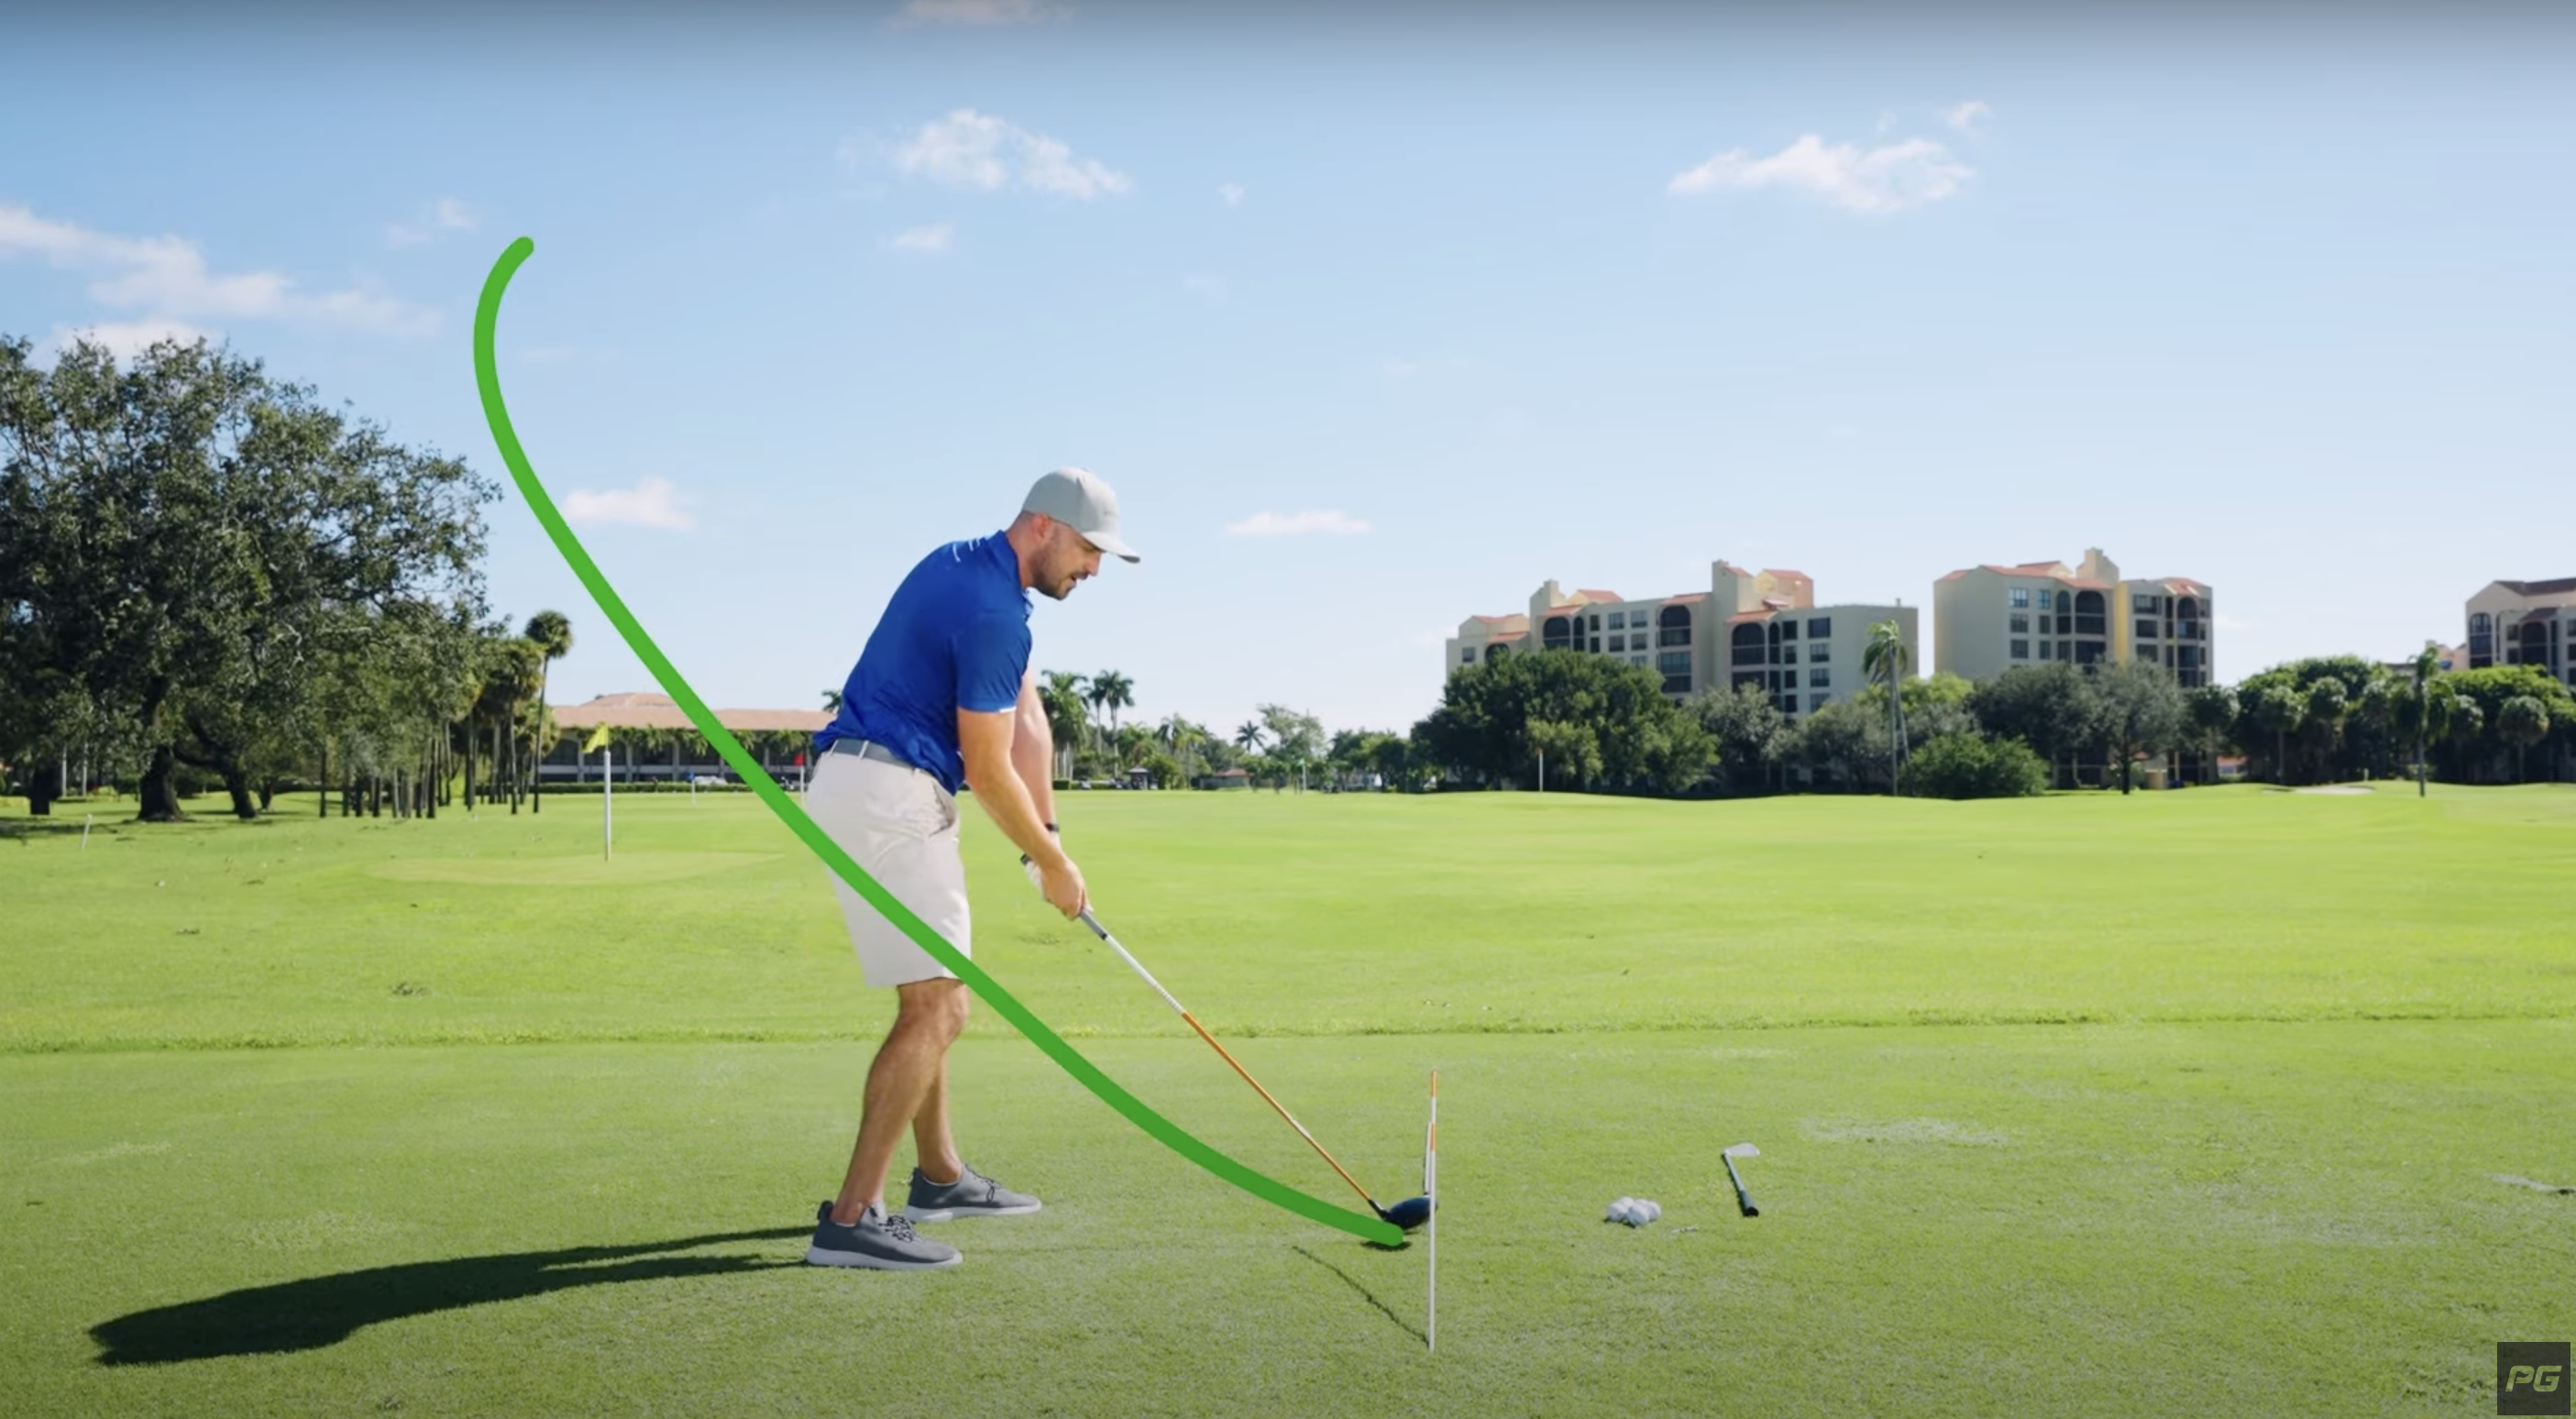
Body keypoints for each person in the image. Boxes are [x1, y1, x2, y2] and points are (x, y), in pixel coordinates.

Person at [800, 468, 1139, 1270]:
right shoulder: (994, 613)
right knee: (941, 1010)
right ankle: (851, 1219)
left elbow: (1026, 719)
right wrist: (1054, 866)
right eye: (1089, 551)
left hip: (871, 784)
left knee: (931, 993)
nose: (1092, 570)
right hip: (891, 795)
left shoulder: (967, 568)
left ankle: (941, 1177)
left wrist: (1046, 838)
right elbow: (989, 769)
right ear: (1044, 527)